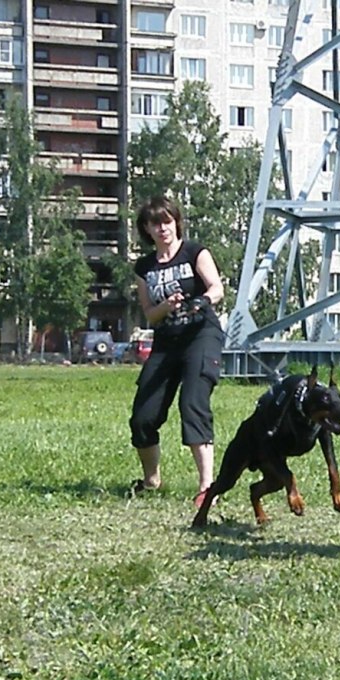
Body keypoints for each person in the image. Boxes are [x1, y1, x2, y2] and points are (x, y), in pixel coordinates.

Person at [128, 196, 225, 504]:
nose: (162, 228)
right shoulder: (144, 268)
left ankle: (207, 487)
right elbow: (149, 314)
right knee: (143, 416)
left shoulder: (194, 252)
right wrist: (165, 305)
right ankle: (151, 480)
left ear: (176, 223)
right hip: (166, 341)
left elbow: (217, 288)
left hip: (201, 335)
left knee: (192, 405)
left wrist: (202, 301)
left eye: (167, 221)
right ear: (146, 228)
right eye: (155, 223)